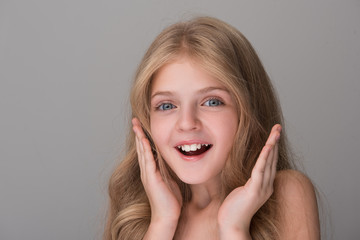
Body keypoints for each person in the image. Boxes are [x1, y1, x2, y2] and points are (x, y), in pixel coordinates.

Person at [103, 16, 320, 240]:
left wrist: (234, 228)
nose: (187, 123)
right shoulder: (135, 210)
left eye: (212, 102)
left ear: (248, 110)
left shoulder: (286, 194)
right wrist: (162, 222)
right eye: (166, 105)